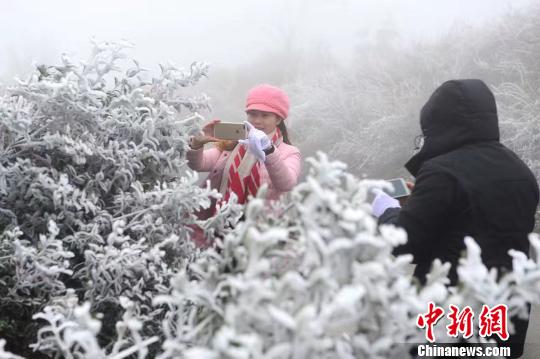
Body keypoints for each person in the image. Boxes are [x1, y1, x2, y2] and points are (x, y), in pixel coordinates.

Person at [372, 79, 539, 358]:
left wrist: (387, 210)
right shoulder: (519, 168)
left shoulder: (441, 172)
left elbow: (404, 244)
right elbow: (476, 221)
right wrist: (422, 203)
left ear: (437, 125)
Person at [186, 84, 302, 245]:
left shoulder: (289, 152)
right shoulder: (232, 144)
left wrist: (268, 150)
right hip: (223, 225)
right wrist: (197, 143)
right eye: (253, 114)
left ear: (279, 119)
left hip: (262, 232)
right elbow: (199, 164)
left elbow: (286, 183)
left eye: (265, 115)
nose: (257, 121)